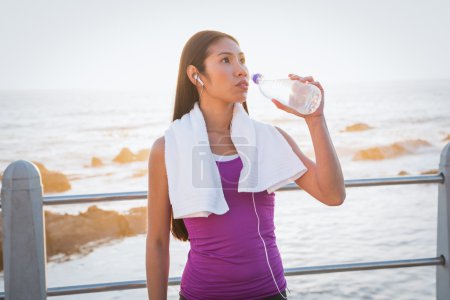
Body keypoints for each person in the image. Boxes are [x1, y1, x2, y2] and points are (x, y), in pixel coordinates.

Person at [146, 30, 346, 300]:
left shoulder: (268, 138)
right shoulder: (168, 148)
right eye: (226, 60)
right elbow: (158, 242)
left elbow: (332, 195)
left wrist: (315, 119)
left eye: (242, 60)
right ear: (196, 75)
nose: (241, 70)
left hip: (270, 293)